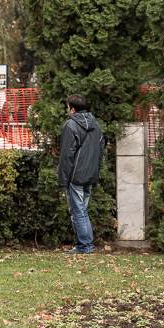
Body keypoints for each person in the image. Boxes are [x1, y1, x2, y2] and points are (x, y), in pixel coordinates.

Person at [58, 94, 104, 255]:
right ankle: (81, 245)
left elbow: (66, 155)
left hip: (75, 176)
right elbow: (100, 151)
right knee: (82, 210)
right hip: (90, 175)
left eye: (67, 107)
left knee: (78, 211)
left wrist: (63, 179)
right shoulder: (96, 125)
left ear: (72, 108)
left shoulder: (70, 125)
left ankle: (85, 246)